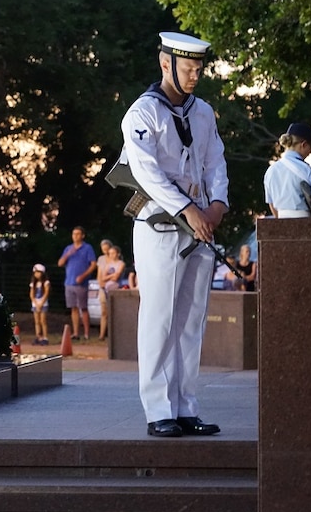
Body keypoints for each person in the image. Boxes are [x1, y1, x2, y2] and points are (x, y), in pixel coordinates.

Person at [121, 32, 229, 437]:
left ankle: (185, 406)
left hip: (202, 226)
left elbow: (215, 161)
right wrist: (188, 209)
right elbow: (146, 173)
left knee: (191, 321)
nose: (195, 75)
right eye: (188, 68)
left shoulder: (203, 113)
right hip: (160, 227)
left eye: (199, 69)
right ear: (165, 63)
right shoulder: (142, 113)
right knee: (160, 318)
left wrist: (217, 205)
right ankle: (158, 409)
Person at [263, 123, 311, 219]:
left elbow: (272, 205)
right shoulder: (305, 169)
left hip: (281, 223)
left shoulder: (270, 171)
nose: (310, 152)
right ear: (304, 144)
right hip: (305, 222)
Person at [57, 226, 97, 341]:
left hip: (81, 283)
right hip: (69, 282)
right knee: (73, 308)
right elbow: (60, 263)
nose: (75, 236)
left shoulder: (87, 248)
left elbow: (93, 264)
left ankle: (86, 333)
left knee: (83, 308)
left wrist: (83, 275)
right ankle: (75, 333)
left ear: (82, 235)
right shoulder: (68, 248)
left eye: (78, 234)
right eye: (74, 234)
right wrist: (68, 254)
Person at [97, 245, 126, 340]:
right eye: (110, 253)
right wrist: (111, 275)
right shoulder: (108, 265)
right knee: (104, 312)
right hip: (106, 290)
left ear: (118, 254)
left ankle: (116, 334)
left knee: (115, 312)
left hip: (115, 289)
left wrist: (109, 276)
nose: (111, 255)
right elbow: (103, 278)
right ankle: (102, 335)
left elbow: (116, 277)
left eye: (113, 253)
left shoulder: (121, 264)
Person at [95, 239, 113, 340]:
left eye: (107, 248)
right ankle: (102, 334)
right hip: (102, 287)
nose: (105, 250)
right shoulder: (101, 259)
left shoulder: (114, 258)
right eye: (103, 249)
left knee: (112, 311)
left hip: (111, 286)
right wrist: (100, 283)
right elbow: (99, 273)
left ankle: (112, 334)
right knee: (103, 311)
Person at [29, 263, 50, 345]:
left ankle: (45, 337)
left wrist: (41, 303)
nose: (37, 274)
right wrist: (35, 303)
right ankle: (38, 336)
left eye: (38, 272)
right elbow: (31, 294)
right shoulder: (33, 283)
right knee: (37, 321)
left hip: (43, 304)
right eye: (35, 272)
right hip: (35, 304)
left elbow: (46, 293)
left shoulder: (46, 283)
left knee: (43, 321)